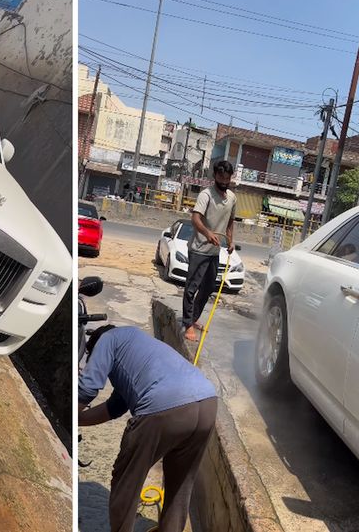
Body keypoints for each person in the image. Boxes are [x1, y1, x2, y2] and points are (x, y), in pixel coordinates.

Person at [79, 325, 217, 532]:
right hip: (208, 402)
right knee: (180, 485)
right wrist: (78, 420)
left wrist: (68, 413)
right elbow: (115, 407)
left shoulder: (106, 339)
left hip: (164, 405)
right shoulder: (137, 344)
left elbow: (87, 387)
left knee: (127, 480)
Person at [183, 160, 236, 342]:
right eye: (221, 177)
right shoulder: (206, 195)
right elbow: (195, 219)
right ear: (215, 176)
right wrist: (207, 233)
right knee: (192, 288)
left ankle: (194, 318)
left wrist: (230, 241)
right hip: (199, 249)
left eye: (227, 178)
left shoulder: (231, 198)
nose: (224, 181)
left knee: (207, 289)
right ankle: (187, 324)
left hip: (214, 252)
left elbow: (230, 221)